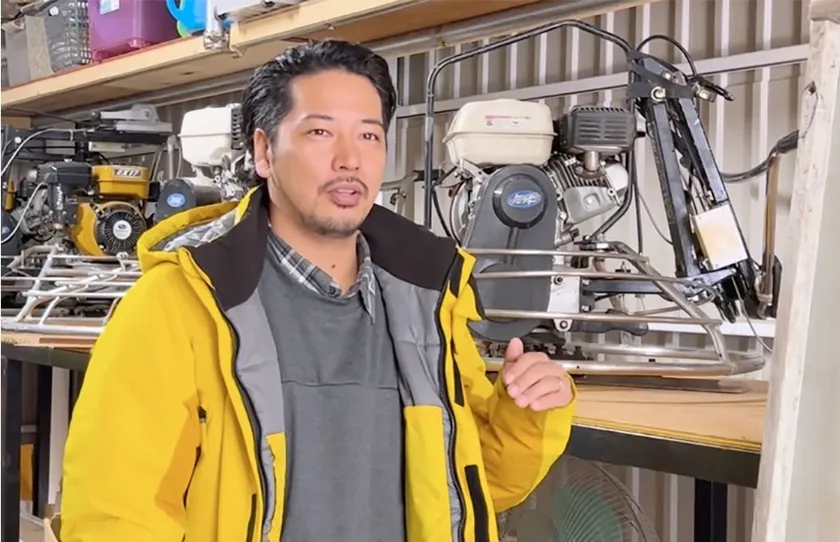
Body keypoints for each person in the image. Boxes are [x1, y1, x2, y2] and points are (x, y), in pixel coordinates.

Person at [60, 40, 577, 542]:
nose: (349, 159)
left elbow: (469, 486)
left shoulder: (428, 299)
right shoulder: (182, 302)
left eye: (369, 136)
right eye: (320, 132)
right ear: (264, 151)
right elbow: (115, 514)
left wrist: (525, 415)